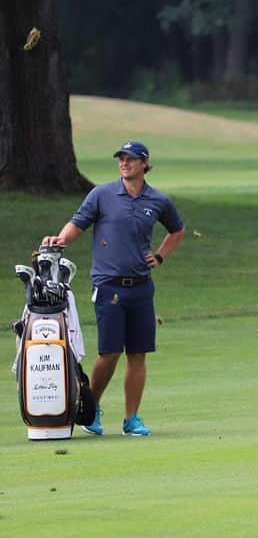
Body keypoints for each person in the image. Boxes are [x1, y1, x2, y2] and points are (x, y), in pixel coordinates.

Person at [42, 140, 185, 436]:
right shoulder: (102, 195)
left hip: (141, 287)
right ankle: (91, 411)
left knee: (138, 353)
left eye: (131, 159)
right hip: (109, 286)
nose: (124, 163)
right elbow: (77, 224)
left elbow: (177, 229)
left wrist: (159, 256)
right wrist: (60, 240)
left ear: (145, 164)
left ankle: (131, 419)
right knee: (109, 353)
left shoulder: (157, 200)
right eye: (121, 158)